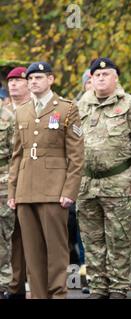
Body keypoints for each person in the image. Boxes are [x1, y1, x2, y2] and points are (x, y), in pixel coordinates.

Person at [76, 57, 131, 299]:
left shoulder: (130, 105)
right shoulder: (80, 106)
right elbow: (71, 145)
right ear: (91, 78)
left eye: (105, 74)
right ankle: (98, 287)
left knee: (119, 239)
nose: (100, 78)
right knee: (92, 240)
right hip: (86, 184)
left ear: (116, 77)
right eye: (96, 75)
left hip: (118, 181)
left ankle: (119, 288)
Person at [7, 62, 85, 299]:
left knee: (56, 250)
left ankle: (58, 295)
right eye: (30, 79)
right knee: (32, 253)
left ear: (50, 79)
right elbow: (17, 155)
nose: (33, 82)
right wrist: (12, 192)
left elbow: (76, 156)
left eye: (39, 77)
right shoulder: (22, 110)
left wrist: (69, 191)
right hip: (25, 191)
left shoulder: (67, 108)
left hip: (54, 191)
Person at [3, 67, 30, 299]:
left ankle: (19, 283)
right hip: (6, 182)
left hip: (30, 179)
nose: (12, 84)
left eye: (18, 80)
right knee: (8, 234)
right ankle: (13, 285)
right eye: (10, 81)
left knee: (25, 235)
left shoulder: (36, 109)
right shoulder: (4, 111)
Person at [0, 84, 15, 299]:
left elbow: (16, 155)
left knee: (3, 236)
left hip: (2, 184)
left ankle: (3, 282)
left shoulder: (9, 118)